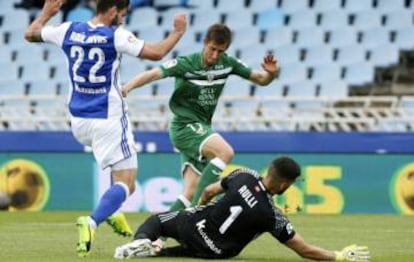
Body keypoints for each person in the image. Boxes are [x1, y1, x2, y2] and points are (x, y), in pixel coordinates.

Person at [24, 0, 187, 257]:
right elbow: (156, 53)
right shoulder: (115, 36)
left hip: (78, 121)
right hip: (108, 117)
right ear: (112, 10)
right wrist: (178, 31)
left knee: (120, 178)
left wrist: (46, 13)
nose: (123, 18)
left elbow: (30, 34)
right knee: (128, 182)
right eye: (122, 13)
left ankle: (113, 212)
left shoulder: (68, 29)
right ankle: (91, 222)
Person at [122, 23, 280, 211]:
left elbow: (261, 80)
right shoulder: (186, 63)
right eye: (212, 49)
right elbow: (154, 73)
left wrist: (272, 74)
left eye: (220, 51)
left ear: (226, 49)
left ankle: (156, 237)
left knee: (190, 191)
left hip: (200, 128)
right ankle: (196, 212)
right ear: (205, 42)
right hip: (184, 125)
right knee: (225, 152)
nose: (214, 55)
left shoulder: (228, 64)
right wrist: (128, 86)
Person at [113, 156, 371, 261]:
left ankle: (143, 242)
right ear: (283, 182)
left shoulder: (243, 174)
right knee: (180, 253)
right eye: (290, 184)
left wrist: (199, 210)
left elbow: (209, 191)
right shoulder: (272, 215)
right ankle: (157, 252)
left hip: (195, 228)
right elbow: (304, 250)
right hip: (217, 253)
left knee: (159, 219)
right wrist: (338, 256)